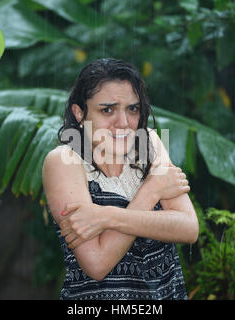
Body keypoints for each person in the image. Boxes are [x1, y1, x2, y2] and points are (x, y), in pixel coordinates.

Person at [42, 58, 199, 300]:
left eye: (132, 109)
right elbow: (97, 263)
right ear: (80, 113)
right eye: (107, 110)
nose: (124, 123)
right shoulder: (64, 161)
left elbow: (188, 228)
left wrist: (105, 217)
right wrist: (152, 190)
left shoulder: (149, 144)